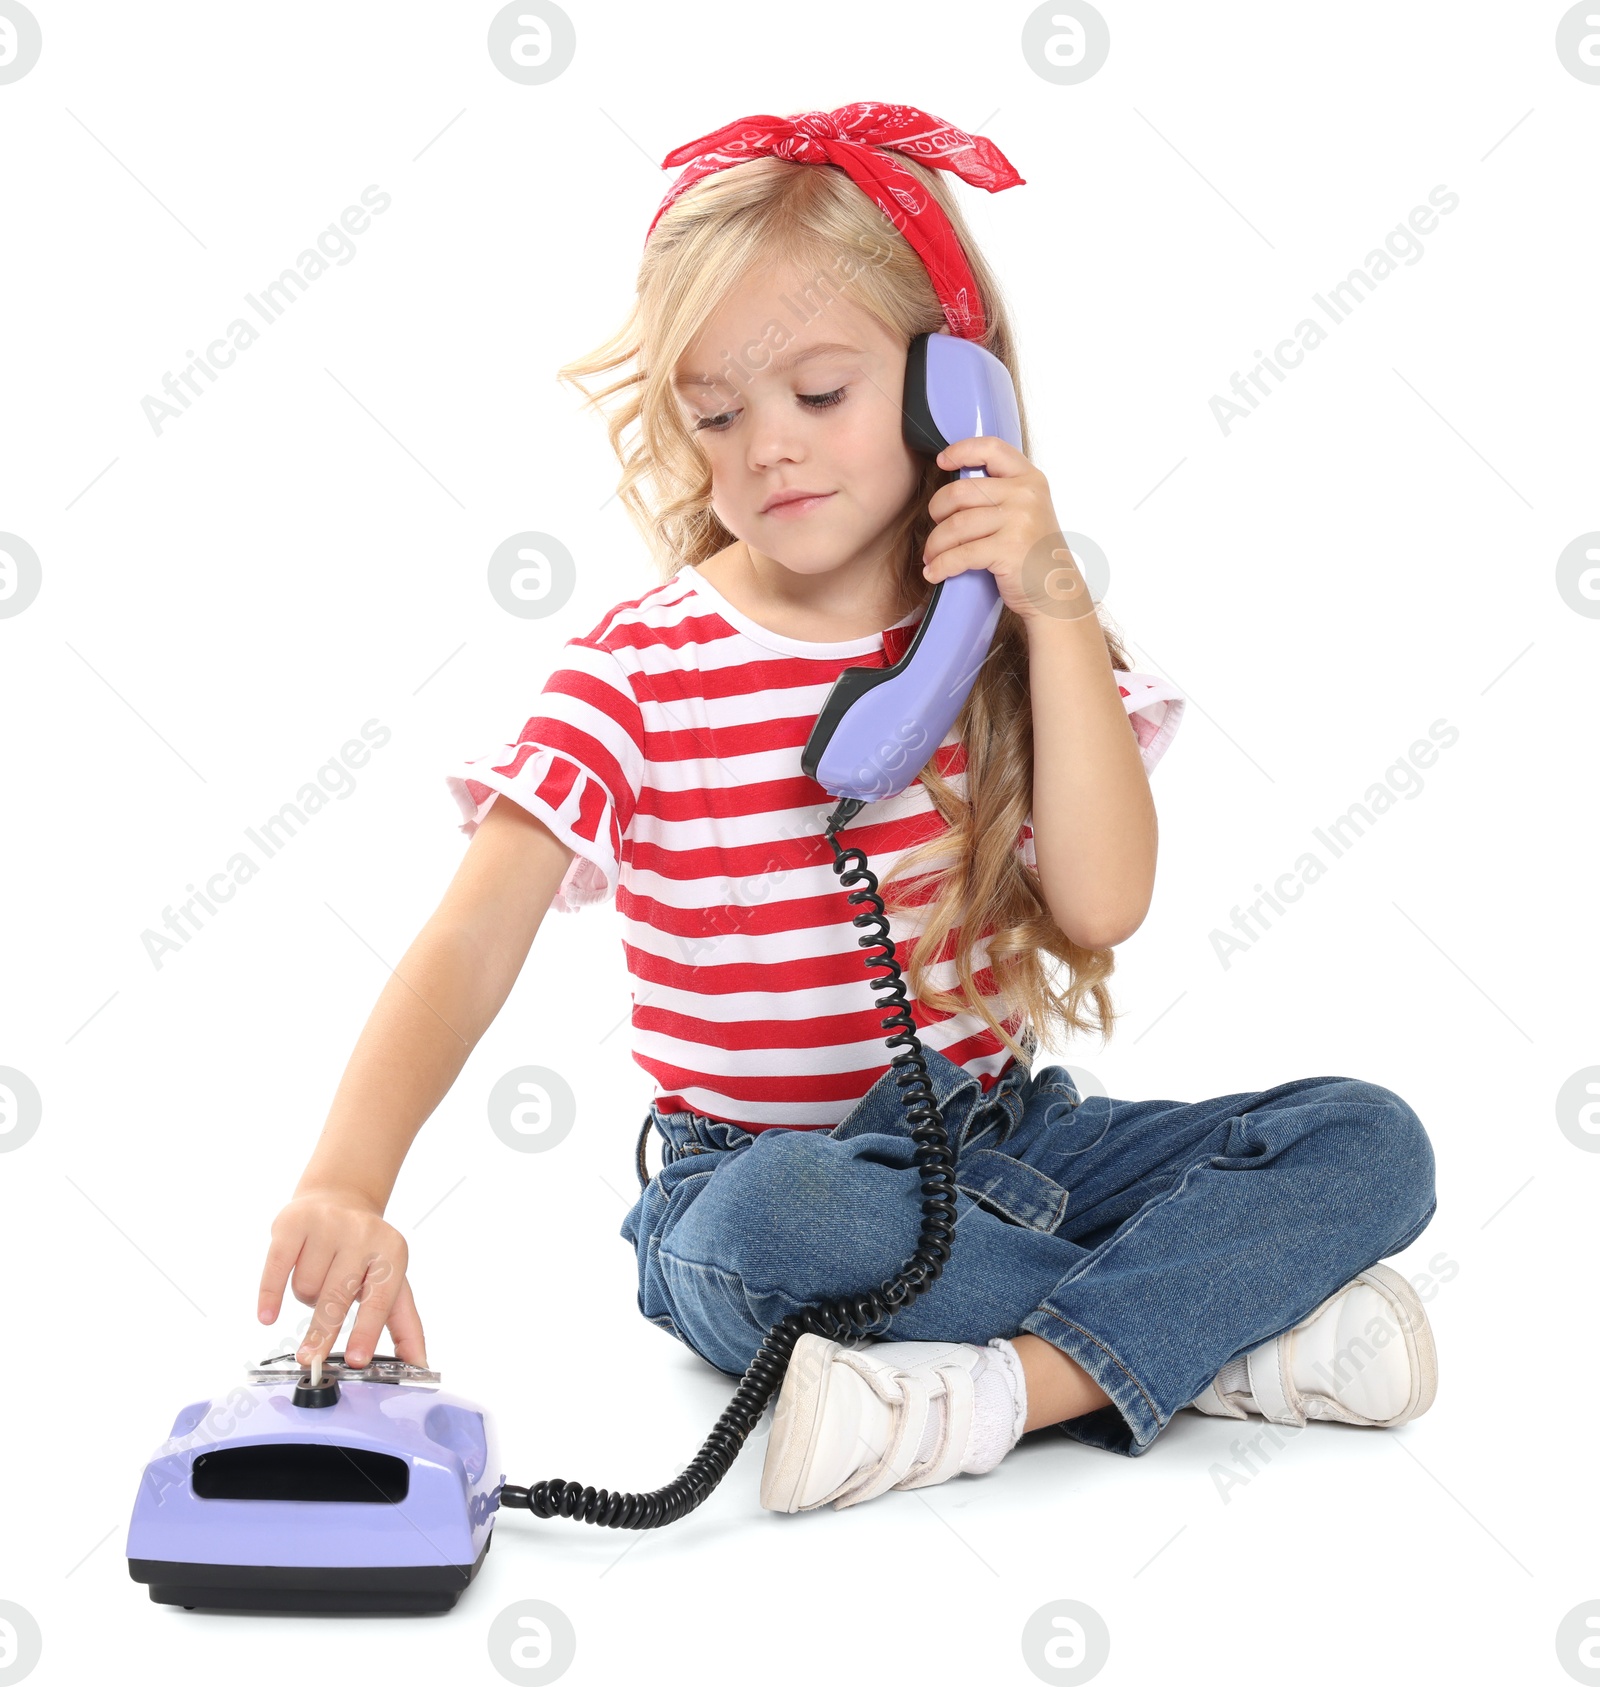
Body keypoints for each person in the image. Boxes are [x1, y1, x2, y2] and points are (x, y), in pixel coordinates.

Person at [256, 103, 1438, 1517]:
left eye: (821, 394)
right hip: (758, 1189)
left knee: (1369, 1137)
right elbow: (469, 941)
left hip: (1008, 1143)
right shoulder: (639, 672)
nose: (768, 449)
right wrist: (348, 1177)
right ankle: (1234, 1329)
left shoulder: (1009, 645)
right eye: (715, 411)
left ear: (953, 397)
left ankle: (1008, 1387)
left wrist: (1045, 597)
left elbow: (1105, 905)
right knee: (782, 1223)